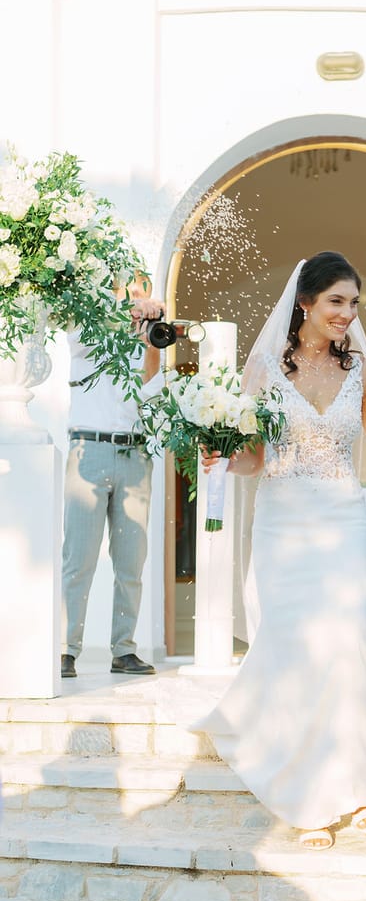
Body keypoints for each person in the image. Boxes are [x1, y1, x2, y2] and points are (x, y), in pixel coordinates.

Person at [197, 252, 366, 851]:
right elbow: (257, 456)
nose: (347, 314)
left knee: (345, 645)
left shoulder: (361, 370)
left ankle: (363, 783)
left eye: (354, 303)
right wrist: (221, 458)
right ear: (304, 303)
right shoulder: (263, 368)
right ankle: (305, 796)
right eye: (336, 301)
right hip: (283, 521)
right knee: (293, 647)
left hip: (343, 519)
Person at [61, 280, 164, 679]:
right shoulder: (85, 328)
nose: (136, 300)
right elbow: (84, 326)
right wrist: (129, 313)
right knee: (79, 558)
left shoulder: (143, 338)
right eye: (128, 292)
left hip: (135, 453)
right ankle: (66, 649)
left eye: (142, 293)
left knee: (131, 560)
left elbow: (150, 392)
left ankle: (124, 650)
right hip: (89, 449)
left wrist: (152, 344)